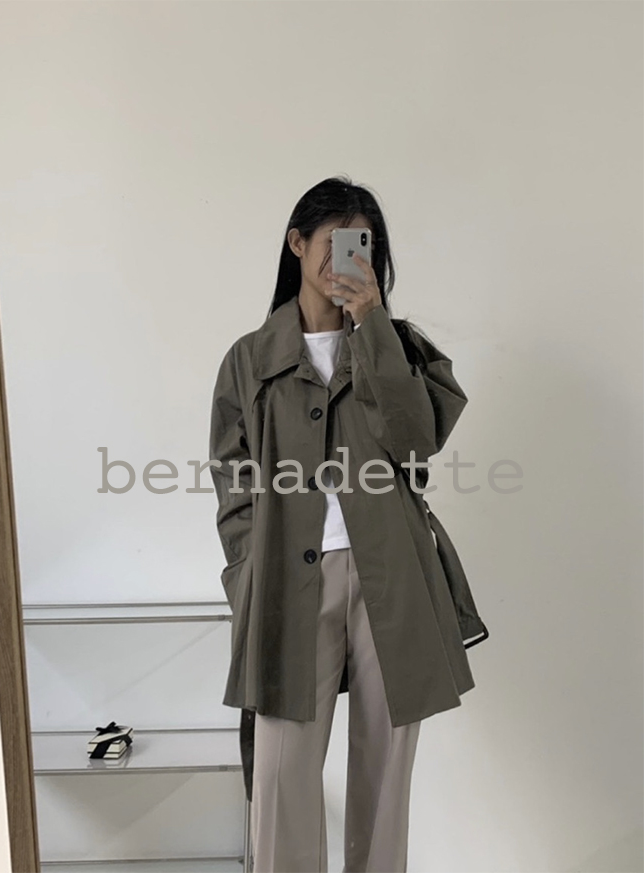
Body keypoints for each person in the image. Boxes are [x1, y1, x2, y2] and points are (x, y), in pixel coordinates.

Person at [209, 176, 488, 873]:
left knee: (385, 769)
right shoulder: (250, 358)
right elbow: (233, 480)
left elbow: (416, 443)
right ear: (297, 244)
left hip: (392, 575)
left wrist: (374, 327)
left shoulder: (400, 347)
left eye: (362, 245)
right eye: (333, 242)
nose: (347, 258)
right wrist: (246, 572)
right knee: (281, 772)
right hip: (287, 578)